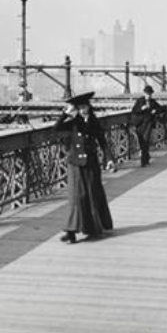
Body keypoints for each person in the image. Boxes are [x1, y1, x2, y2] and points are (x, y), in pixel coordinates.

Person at [54, 91, 116, 244]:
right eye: (79, 107)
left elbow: (103, 142)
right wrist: (65, 113)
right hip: (75, 162)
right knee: (76, 196)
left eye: (84, 107)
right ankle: (71, 231)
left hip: (91, 162)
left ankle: (94, 228)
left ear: (89, 107)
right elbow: (57, 128)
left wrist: (109, 159)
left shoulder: (94, 122)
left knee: (93, 194)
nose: (82, 110)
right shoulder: (73, 122)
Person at [130, 84, 163, 166]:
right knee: (142, 142)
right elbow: (134, 110)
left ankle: (143, 161)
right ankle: (146, 157)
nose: (149, 96)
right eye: (148, 94)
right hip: (140, 124)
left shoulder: (153, 102)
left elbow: (161, 108)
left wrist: (155, 110)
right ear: (144, 93)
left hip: (148, 123)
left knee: (146, 140)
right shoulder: (140, 101)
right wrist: (141, 109)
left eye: (150, 94)